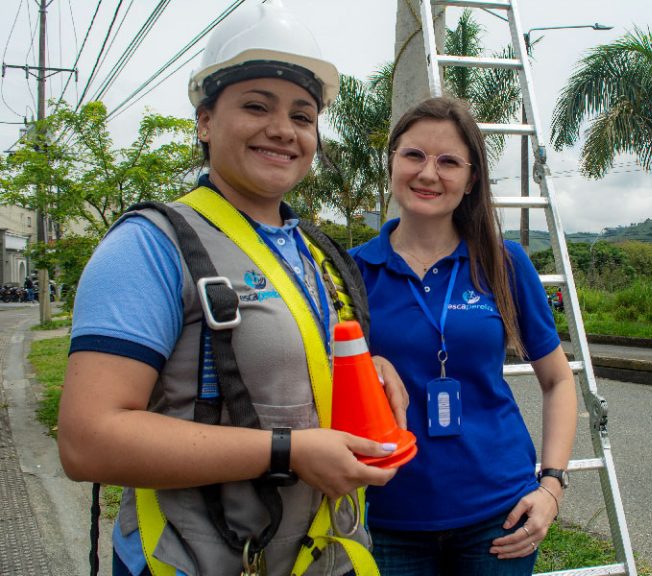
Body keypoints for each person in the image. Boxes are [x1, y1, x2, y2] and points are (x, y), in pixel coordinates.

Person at [57, 2, 407, 575]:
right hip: (195, 560)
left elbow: (288, 364)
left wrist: (372, 374)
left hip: (322, 557)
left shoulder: (315, 252)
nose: (282, 129)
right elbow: (88, 440)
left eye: (302, 114)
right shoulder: (151, 246)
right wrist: (288, 452)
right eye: (255, 106)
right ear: (205, 121)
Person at [350, 97, 578, 575]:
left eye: (449, 161)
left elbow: (558, 381)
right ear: (391, 161)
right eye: (413, 155)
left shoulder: (503, 261)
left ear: (471, 180)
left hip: (499, 515)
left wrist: (551, 487)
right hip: (386, 516)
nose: (428, 174)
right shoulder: (351, 272)